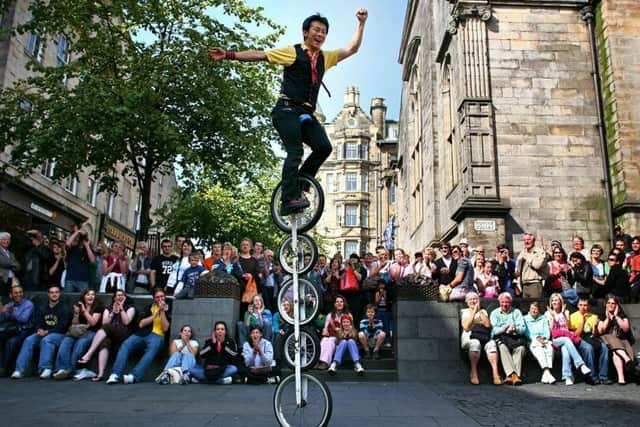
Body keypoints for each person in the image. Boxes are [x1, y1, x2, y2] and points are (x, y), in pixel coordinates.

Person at [209, 9, 368, 216]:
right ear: (305, 33)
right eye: (316, 30)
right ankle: (287, 198)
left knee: (324, 147)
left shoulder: (325, 57)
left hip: (306, 112)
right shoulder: (292, 52)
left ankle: (300, 186)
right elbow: (261, 55)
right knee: (295, 151)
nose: (320, 35)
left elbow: (352, 48)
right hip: (286, 110)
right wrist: (230, 55)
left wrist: (361, 23)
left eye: (324, 32)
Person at [106, 289, 171, 384]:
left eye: (162, 296)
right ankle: (115, 374)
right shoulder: (148, 307)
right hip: (143, 333)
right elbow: (141, 324)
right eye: (157, 297)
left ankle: (133, 376)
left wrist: (162, 312)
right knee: (126, 344)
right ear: (154, 298)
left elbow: (165, 328)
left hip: (158, 336)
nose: (160, 299)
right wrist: (155, 314)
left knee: (152, 348)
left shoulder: (169, 308)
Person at [11, 284, 72, 379]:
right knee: (28, 340)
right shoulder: (43, 307)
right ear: (48, 294)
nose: (54, 294)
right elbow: (37, 321)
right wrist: (39, 329)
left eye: (56, 292)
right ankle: (19, 370)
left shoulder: (64, 308)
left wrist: (47, 332)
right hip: (43, 332)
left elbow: (63, 327)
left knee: (46, 340)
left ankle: (46, 368)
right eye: (52, 292)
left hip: (59, 335)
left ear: (59, 294)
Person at [77, 289, 136, 381]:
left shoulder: (130, 308)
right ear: (114, 298)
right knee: (105, 341)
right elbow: (104, 323)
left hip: (124, 334)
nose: (120, 297)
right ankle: (100, 374)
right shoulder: (108, 309)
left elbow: (126, 322)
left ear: (125, 297)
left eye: (122, 295)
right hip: (111, 333)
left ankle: (89, 353)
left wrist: (121, 309)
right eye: (118, 295)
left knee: (107, 327)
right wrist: (112, 313)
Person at [51, 288, 102, 380]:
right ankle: (60, 369)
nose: (90, 296)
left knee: (80, 343)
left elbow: (93, 323)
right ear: (84, 297)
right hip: (77, 330)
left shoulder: (98, 307)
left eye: (93, 295)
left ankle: (70, 370)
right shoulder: (78, 305)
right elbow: (74, 324)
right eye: (88, 295)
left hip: (91, 331)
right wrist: (76, 313)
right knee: (66, 342)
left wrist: (84, 311)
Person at [546, 293, 591, 385]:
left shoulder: (566, 312)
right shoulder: (548, 313)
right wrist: (553, 317)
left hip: (566, 337)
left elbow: (567, 327)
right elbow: (551, 330)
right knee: (567, 340)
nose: (555, 302)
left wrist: (562, 313)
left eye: (556, 300)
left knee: (565, 349)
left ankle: (567, 376)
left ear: (560, 302)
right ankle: (581, 364)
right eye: (553, 300)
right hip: (555, 339)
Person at [460, 292, 500, 385]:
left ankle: (495, 373)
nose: (473, 301)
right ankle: (473, 372)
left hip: (483, 336)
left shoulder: (483, 311)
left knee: (492, 344)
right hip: (470, 336)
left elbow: (487, 324)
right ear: (467, 302)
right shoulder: (464, 312)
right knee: (475, 343)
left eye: (475, 299)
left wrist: (479, 311)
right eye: (471, 299)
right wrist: (473, 313)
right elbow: (466, 327)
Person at [569, 297, 611, 384]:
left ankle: (603, 376)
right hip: (579, 337)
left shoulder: (593, 316)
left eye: (585, 305)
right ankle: (591, 376)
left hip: (591, 337)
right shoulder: (572, 316)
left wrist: (595, 326)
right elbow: (575, 335)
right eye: (581, 305)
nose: (583, 307)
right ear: (577, 306)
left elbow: (596, 334)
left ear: (588, 306)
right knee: (588, 348)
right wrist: (582, 322)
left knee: (605, 348)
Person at [597, 294, 636, 385]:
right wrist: (608, 318)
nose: (611, 305)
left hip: (622, 341)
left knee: (616, 352)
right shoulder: (602, 315)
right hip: (607, 339)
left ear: (617, 305)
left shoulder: (622, 316)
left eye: (613, 303)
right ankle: (627, 360)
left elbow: (625, 328)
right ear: (605, 304)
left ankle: (621, 378)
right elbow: (601, 330)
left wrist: (616, 317)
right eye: (609, 303)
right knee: (610, 337)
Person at [489, 292, 526, 385]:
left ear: (510, 302)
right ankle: (515, 375)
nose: (504, 304)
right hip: (502, 338)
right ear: (499, 302)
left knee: (521, 348)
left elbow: (523, 328)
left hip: (515, 338)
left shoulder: (516, 312)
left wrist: (515, 329)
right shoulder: (494, 313)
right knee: (502, 347)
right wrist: (504, 329)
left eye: (507, 302)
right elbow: (494, 331)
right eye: (502, 302)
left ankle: (510, 376)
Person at [0, 285, 34, 376]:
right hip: (10, 330)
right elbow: (2, 320)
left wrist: (12, 313)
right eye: (15, 293)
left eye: (20, 292)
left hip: (24, 330)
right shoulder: (8, 305)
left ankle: (7, 369)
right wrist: (1, 312)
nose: (18, 294)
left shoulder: (28, 304)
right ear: (11, 295)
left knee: (11, 342)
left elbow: (24, 319)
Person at [523, 301, 556, 384]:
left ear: (539, 310)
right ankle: (547, 371)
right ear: (529, 309)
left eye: (536, 309)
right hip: (532, 340)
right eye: (532, 309)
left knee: (549, 348)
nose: (534, 311)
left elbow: (547, 331)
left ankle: (546, 374)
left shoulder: (543, 318)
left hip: (544, 339)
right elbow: (526, 332)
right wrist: (536, 338)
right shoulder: (525, 319)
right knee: (539, 349)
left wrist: (544, 338)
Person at [318, 295, 351, 370]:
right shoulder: (330, 315)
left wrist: (339, 331)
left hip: (342, 339)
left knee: (331, 340)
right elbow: (325, 328)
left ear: (344, 303)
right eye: (337, 302)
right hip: (330, 336)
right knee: (324, 341)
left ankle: (325, 363)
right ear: (334, 304)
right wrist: (325, 331)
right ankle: (319, 361)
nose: (339, 303)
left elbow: (350, 329)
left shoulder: (348, 315)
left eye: (341, 302)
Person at [515, 233, 548, 298]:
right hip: (524, 284)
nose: (526, 242)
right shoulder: (522, 252)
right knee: (526, 307)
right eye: (525, 240)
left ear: (534, 241)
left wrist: (527, 257)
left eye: (528, 240)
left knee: (535, 305)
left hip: (534, 284)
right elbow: (518, 267)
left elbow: (537, 265)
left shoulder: (539, 252)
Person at [64, 228, 96, 292]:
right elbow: (67, 243)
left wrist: (87, 245)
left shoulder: (88, 250)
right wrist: (77, 232)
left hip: (83, 280)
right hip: (70, 278)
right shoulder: (73, 248)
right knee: (68, 299)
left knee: (83, 299)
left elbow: (92, 260)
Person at [0, 232, 20, 299]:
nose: (6, 241)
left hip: (11, 280)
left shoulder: (11, 253)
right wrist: (12, 263)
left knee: (9, 299)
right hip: (2, 279)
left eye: (8, 239)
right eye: (4, 239)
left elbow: (18, 266)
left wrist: (9, 264)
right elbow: (3, 262)